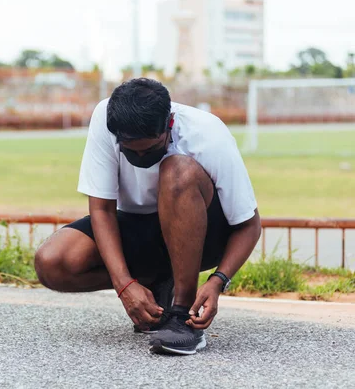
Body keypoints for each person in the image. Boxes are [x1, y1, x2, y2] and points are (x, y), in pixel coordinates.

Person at [34, 78, 261, 355]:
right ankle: (155, 280)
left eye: (150, 149)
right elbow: (102, 209)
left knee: (176, 170)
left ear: (170, 124)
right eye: (131, 151)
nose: (140, 157)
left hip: (202, 237)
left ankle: (182, 317)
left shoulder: (208, 133)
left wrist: (218, 280)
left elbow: (249, 225)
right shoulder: (105, 117)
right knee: (52, 262)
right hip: (140, 226)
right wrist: (125, 285)